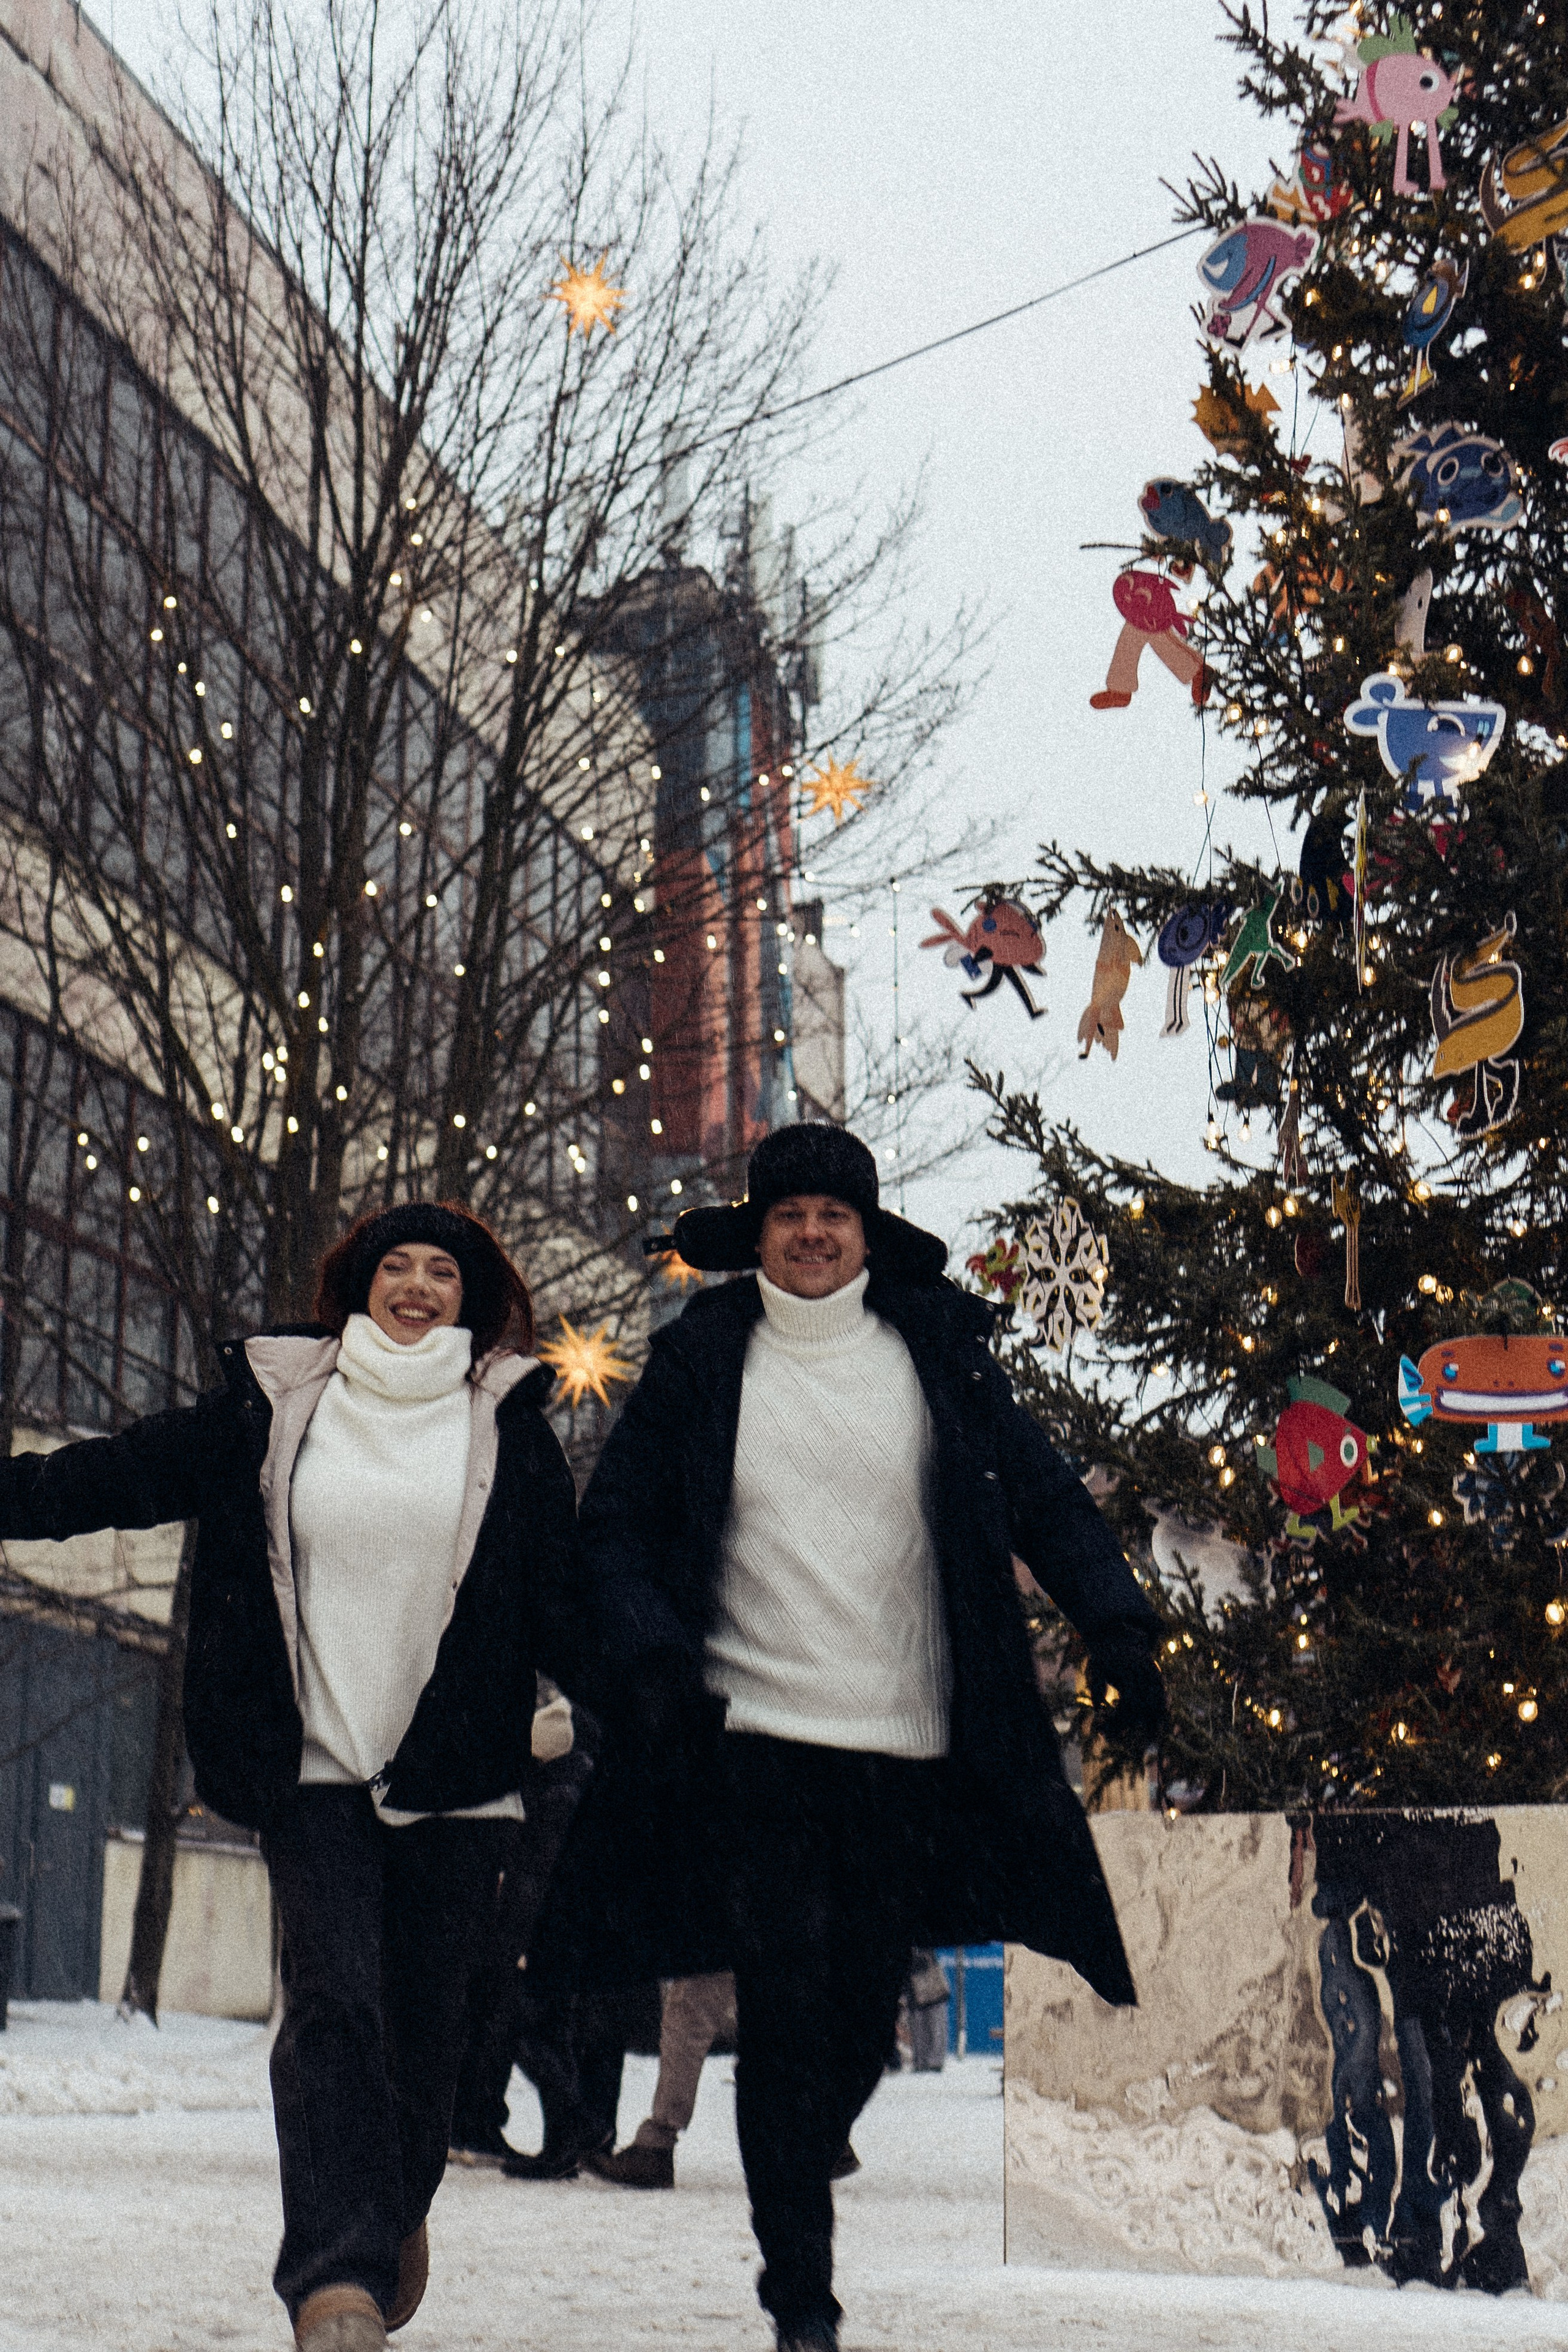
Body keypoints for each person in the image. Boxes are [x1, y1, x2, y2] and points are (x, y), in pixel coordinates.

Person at [537, 1124, 1165, 2352]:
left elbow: (1040, 1494)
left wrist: (1120, 1631)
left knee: (858, 2014)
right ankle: (801, 2307)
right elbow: (610, 1530)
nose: (812, 1234)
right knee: (779, 2008)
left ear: (866, 1233)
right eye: (789, 1216)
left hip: (908, 1744)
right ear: (755, 1237)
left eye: (834, 1214)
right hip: (749, 1740)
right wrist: (653, 1654)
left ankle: (798, 2149)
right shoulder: (701, 1360)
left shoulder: (935, 1355)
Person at [0, 1202, 587, 2352]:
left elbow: (571, 1597)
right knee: (332, 2002)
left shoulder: (510, 1426)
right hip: (314, 1760)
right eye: (395, 1267)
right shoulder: (281, 1402)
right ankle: (334, 2282)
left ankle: (389, 2208)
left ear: (473, 1299)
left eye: (441, 1273)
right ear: (357, 1284)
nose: (416, 1287)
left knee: (427, 2026)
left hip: (459, 1778)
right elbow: (131, 1471)